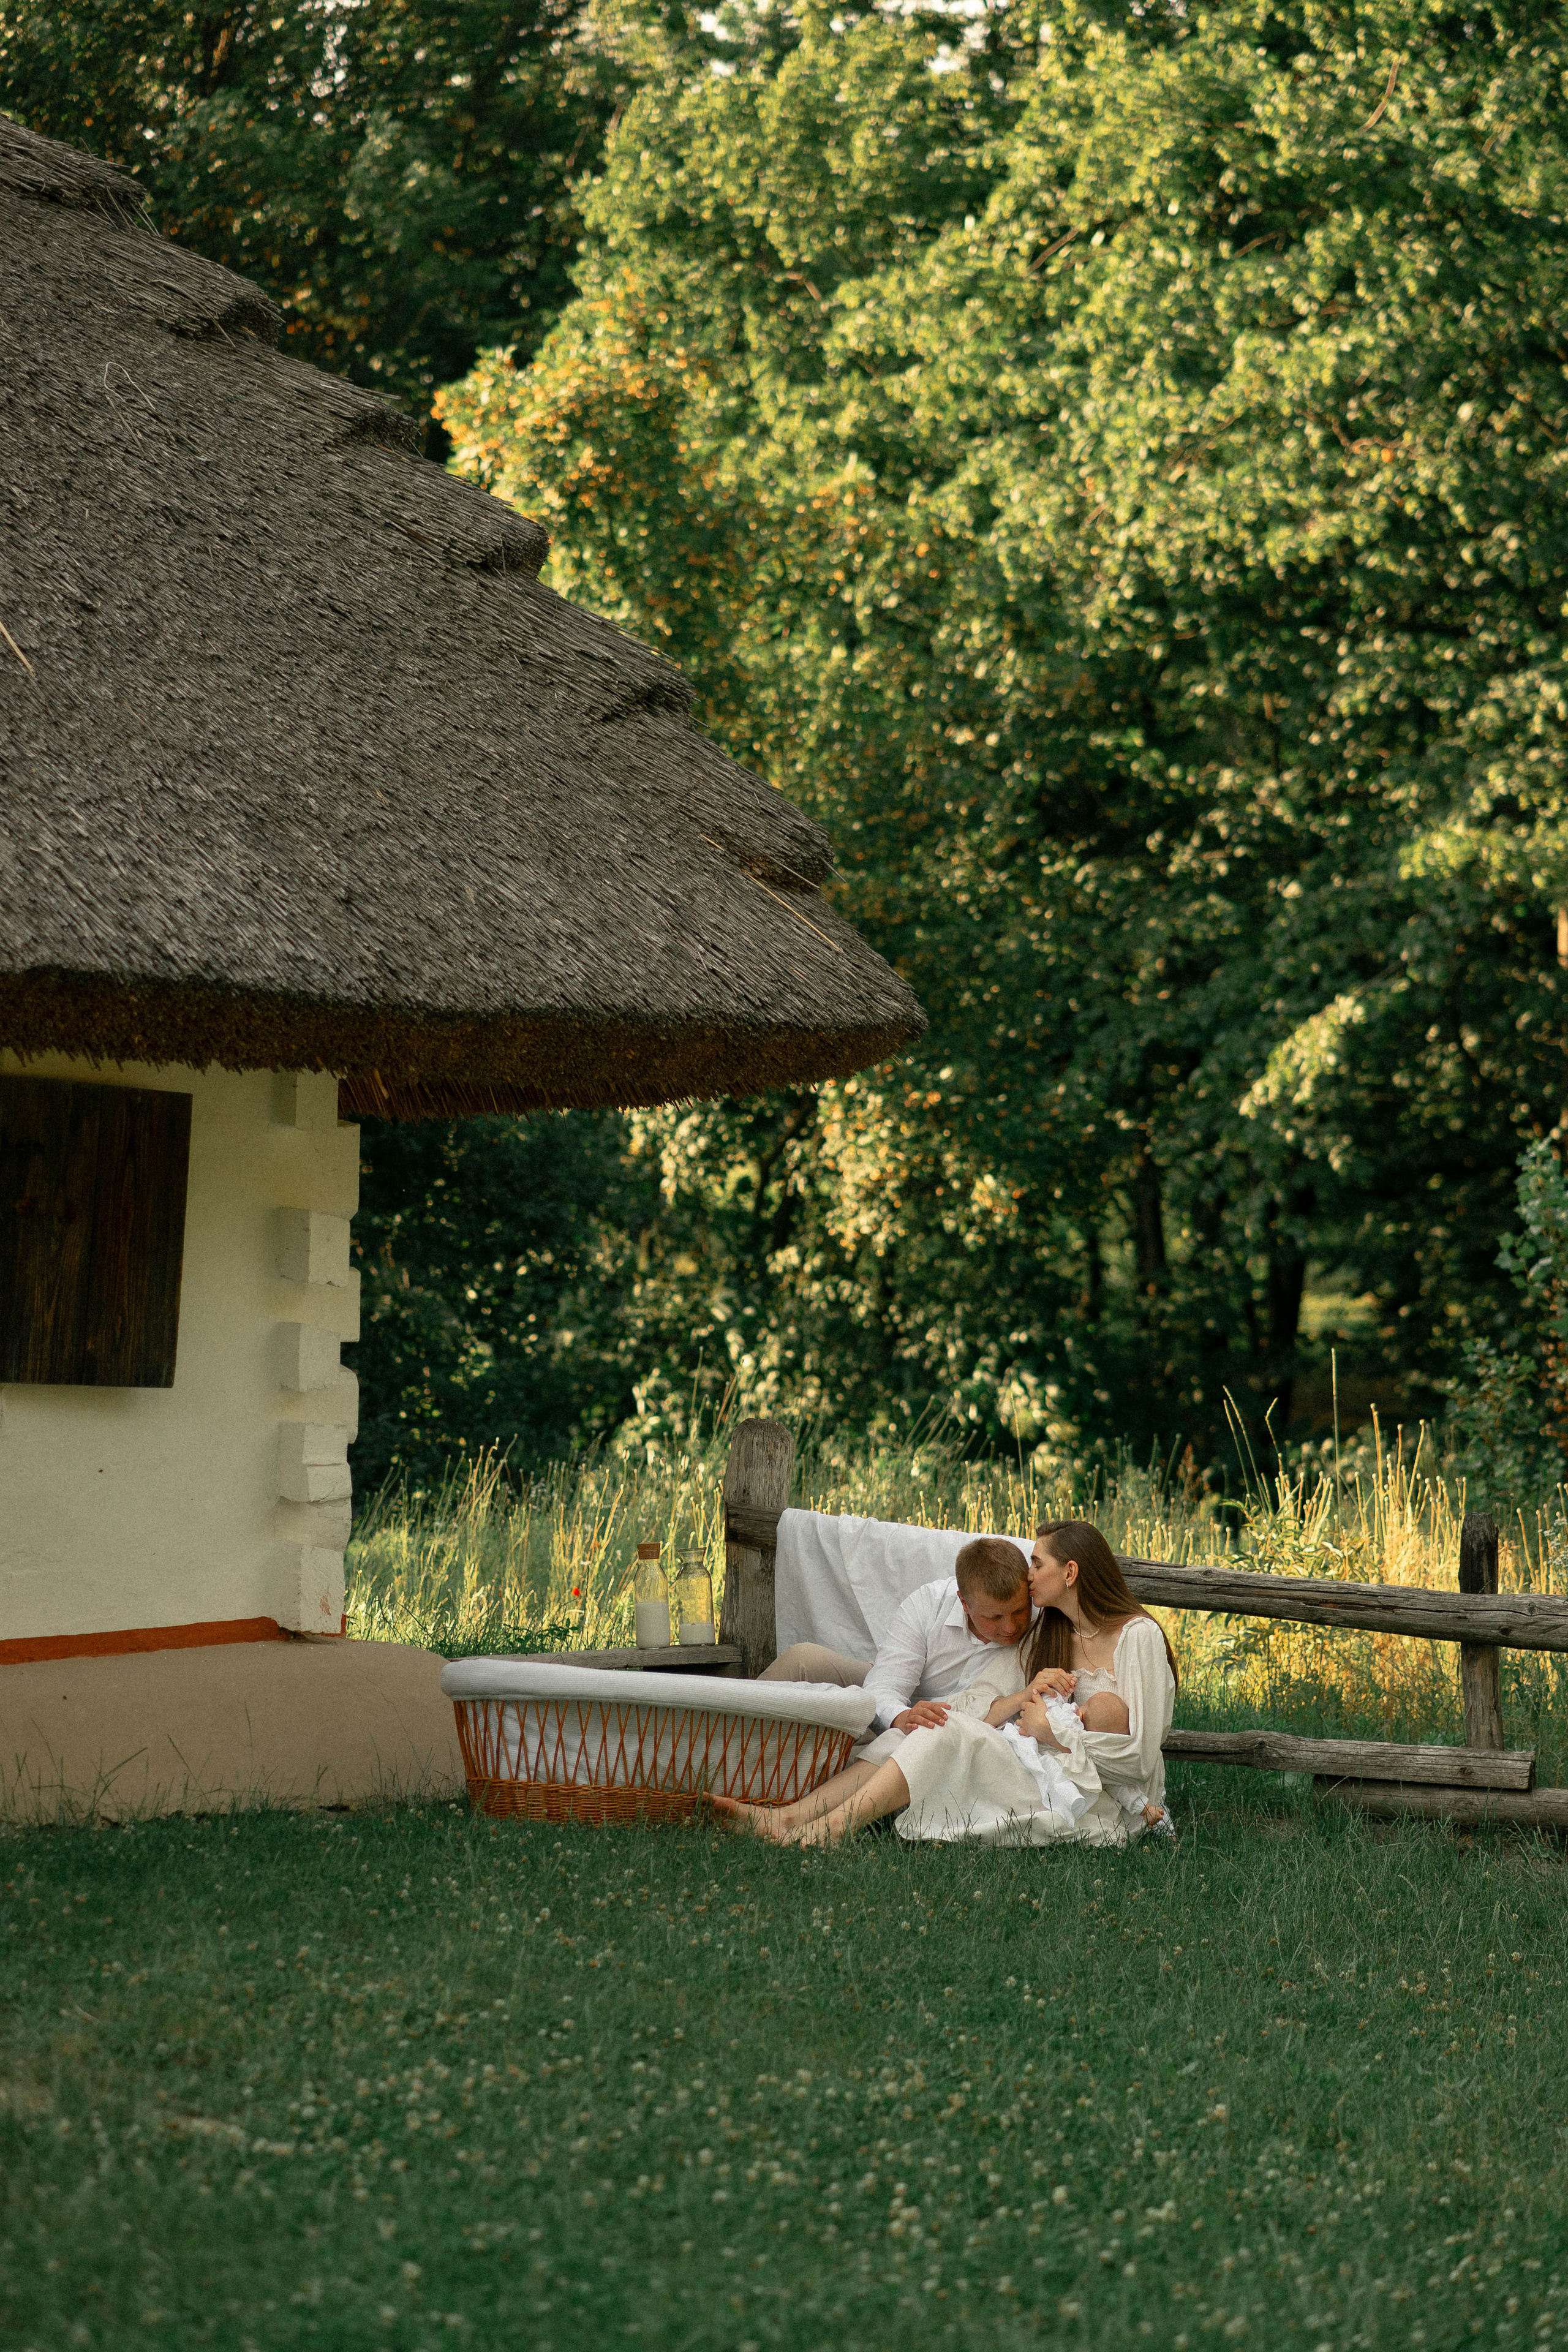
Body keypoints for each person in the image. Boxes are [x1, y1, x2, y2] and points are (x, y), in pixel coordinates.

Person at [717, 1518, 1176, 1846]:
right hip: (1037, 1762)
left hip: (1097, 1796)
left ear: (1070, 1572)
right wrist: (1002, 1709)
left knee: (945, 1729)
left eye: (1036, 1565)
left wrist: (1047, 1731)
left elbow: (1139, 1760)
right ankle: (790, 1816)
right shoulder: (1049, 1633)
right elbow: (980, 1700)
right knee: (932, 1724)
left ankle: (829, 1830)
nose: (1028, 1576)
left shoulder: (1138, 1637)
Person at [760, 1536, 1033, 1734]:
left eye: (1020, 1611)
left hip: (962, 1729)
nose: (1010, 1628)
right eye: (993, 1617)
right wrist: (902, 1717)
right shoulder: (929, 1603)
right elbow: (883, 1688)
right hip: (906, 1706)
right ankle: (723, 1742)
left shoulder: (1043, 1616)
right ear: (964, 1603)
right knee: (803, 1659)